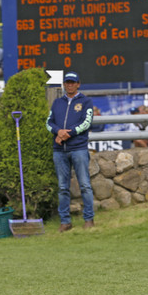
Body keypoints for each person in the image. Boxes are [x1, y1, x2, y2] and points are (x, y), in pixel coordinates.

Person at [46, 71, 94, 231]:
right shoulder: (57, 103)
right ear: (64, 84)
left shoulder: (86, 101)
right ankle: (65, 221)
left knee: (85, 185)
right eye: (67, 82)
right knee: (62, 187)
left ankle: (89, 219)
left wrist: (67, 134)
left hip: (78, 148)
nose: (70, 85)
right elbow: (48, 122)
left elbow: (86, 122)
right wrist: (58, 132)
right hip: (59, 150)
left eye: (73, 82)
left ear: (78, 84)